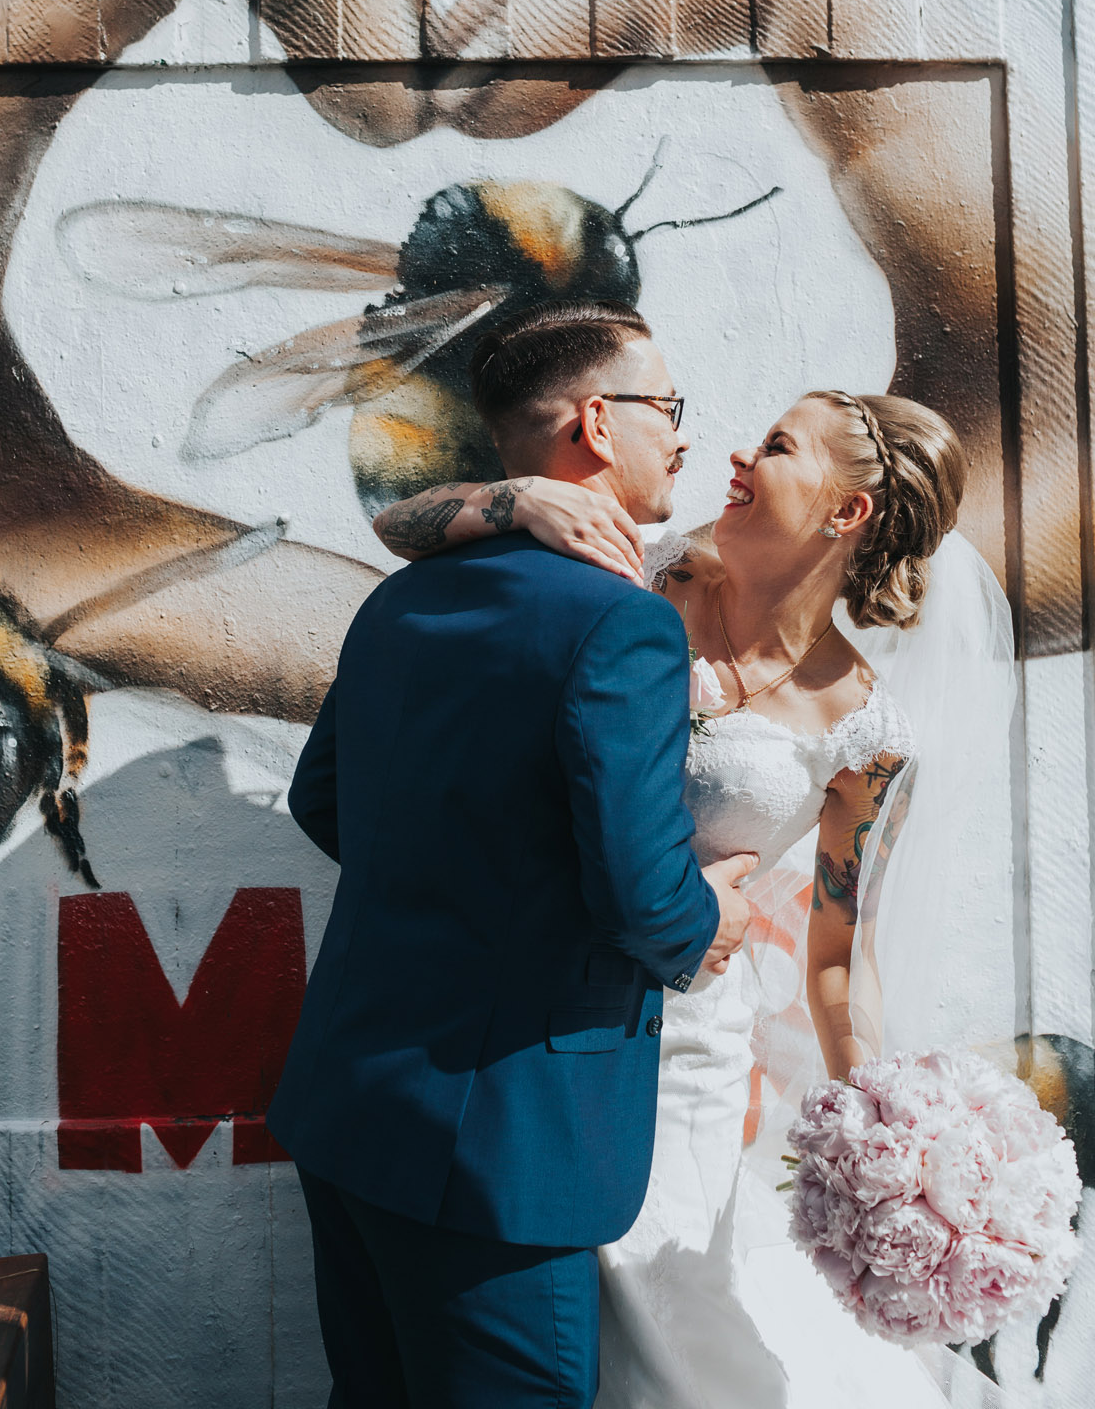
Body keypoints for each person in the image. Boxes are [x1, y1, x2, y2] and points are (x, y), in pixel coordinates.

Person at [375, 372, 1012, 1407]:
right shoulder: (635, 566)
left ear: (845, 512)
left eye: (774, 446)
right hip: (522, 1023)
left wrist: (889, 1143)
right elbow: (399, 526)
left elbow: (835, 961)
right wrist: (519, 500)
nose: (735, 457)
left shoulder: (867, 735)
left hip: (684, 1063)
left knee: (673, 1341)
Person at [266, 301, 758, 1408]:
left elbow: (323, 798)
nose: (681, 434)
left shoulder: (401, 600)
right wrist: (708, 921)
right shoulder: (622, 625)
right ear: (597, 422)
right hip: (497, 1152)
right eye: (666, 408)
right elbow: (641, 894)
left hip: (348, 1105)